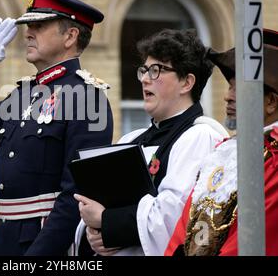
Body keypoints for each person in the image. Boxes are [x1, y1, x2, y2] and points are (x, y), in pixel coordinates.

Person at [0, 0, 113, 255]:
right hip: (6, 237)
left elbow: (75, 196)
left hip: (47, 242)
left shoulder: (86, 98)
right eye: (28, 27)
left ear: (70, 36)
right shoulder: (24, 95)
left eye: (39, 26)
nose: (28, 34)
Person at [74, 29, 228, 256]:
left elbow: (173, 215)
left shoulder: (200, 136)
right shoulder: (131, 139)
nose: (145, 79)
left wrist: (107, 222)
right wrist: (94, 233)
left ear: (187, 82)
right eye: (144, 70)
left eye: (156, 70)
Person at [165, 28, 278, 256]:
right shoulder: (224, 153)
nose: (228, 96)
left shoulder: (274, 161)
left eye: (240, 88)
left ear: (271, 102)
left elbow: (251, 242)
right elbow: (183, 229)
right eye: (230, 86)